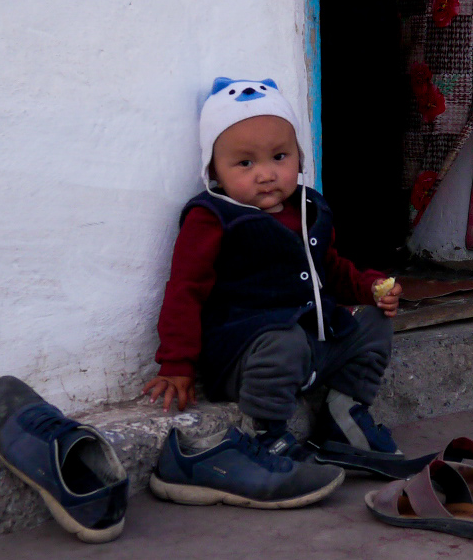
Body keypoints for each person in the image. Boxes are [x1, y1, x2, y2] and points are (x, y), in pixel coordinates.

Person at [143, 78, 404, 461]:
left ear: (299, 155)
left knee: (374, 322)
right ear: (213, 171)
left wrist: (370, 287)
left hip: (313, 342)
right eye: (246, 163)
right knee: (284, 341)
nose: (266, 174)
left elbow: (327, 269)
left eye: (279, 157)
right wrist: (176, 362)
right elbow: (186, 289)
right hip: (250, 357)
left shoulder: (308, 208)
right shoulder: (212, 218)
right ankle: (268, 436)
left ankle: (343, 414)